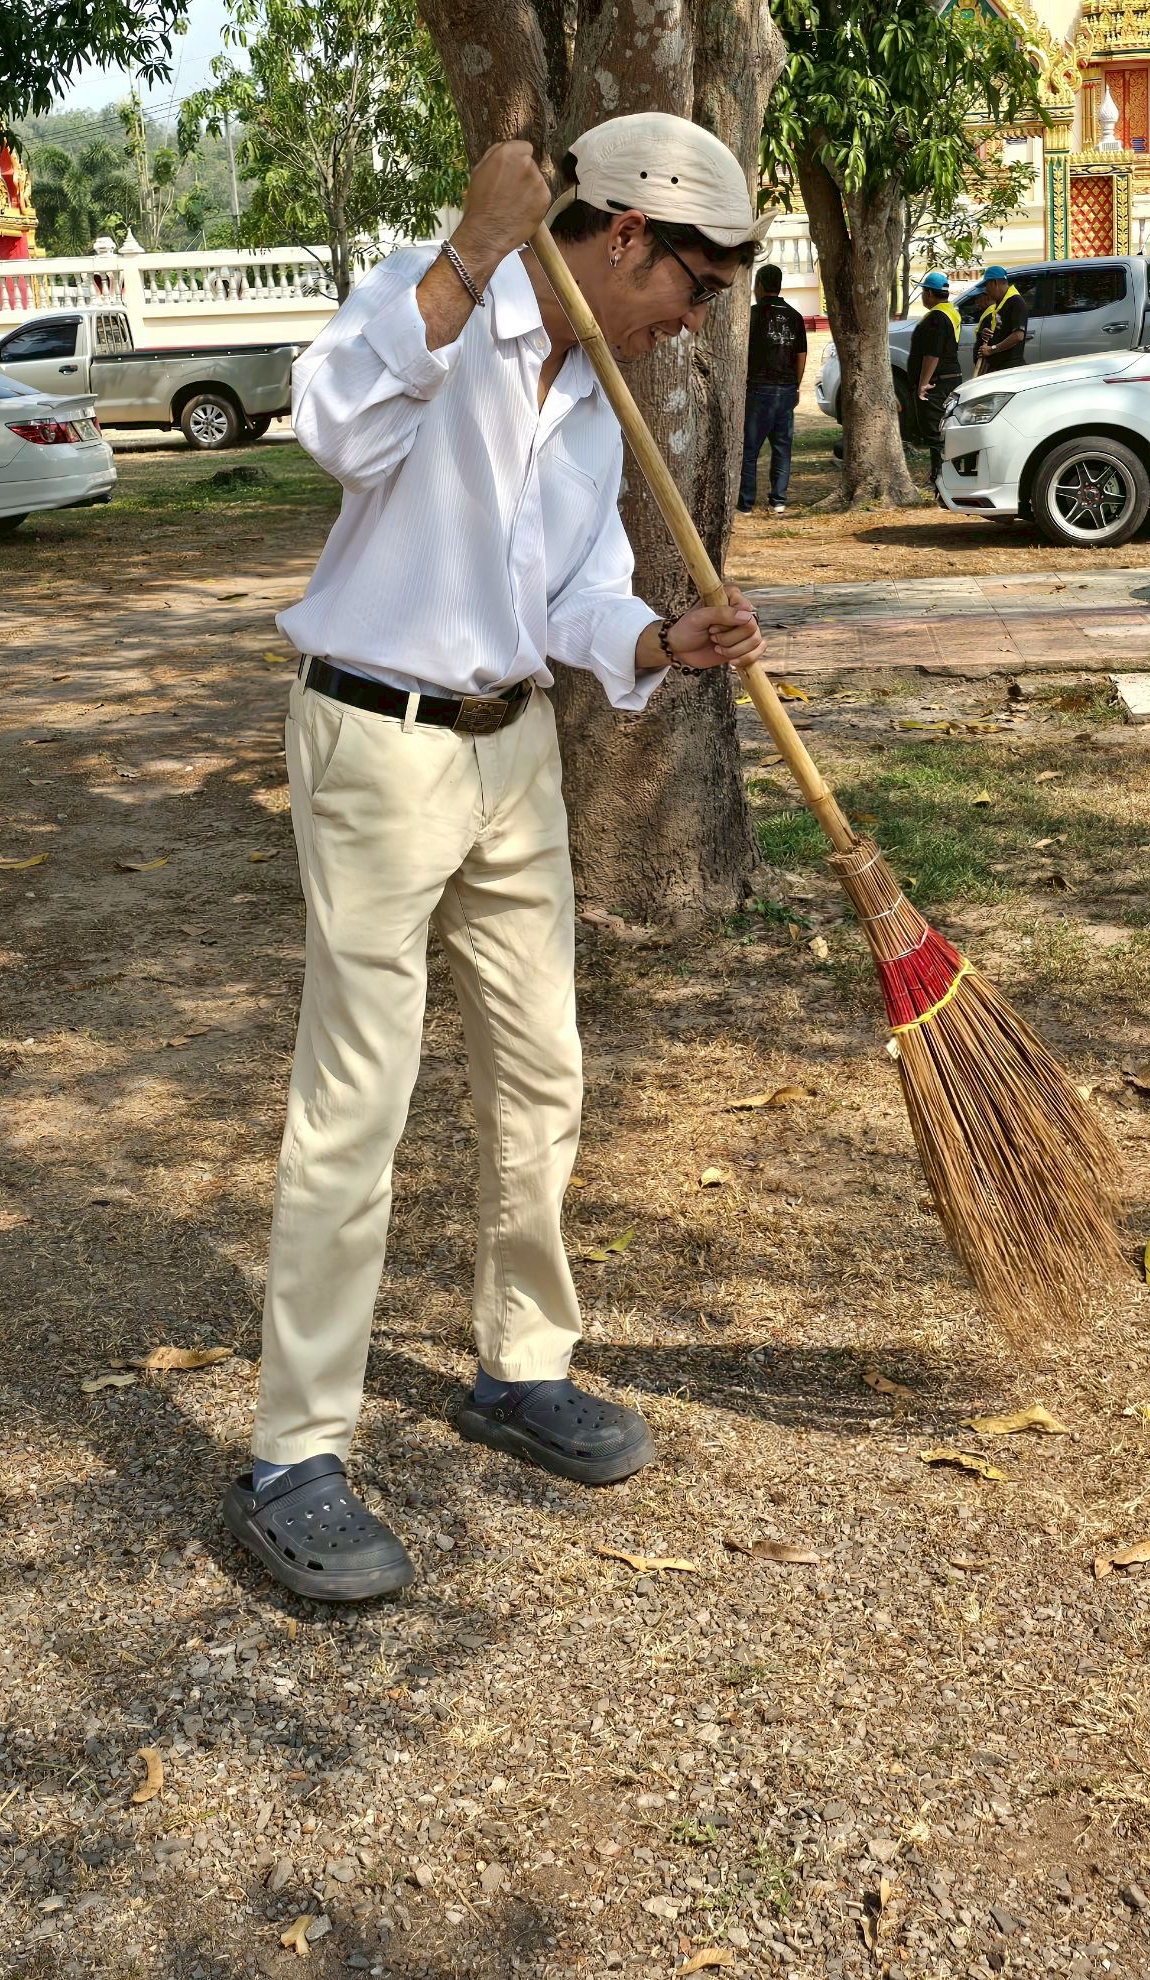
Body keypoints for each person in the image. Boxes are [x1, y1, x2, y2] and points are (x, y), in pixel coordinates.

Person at [223, 114, 769, 1604]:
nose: (692, 325)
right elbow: (333, 428)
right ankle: (294, 1453)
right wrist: (468, 252)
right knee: (359, 1097)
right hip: (376, 745)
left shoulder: (599, 401)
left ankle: (521, 1367)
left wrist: (660, 639)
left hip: (512, 748)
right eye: (693, 290)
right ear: (628, 239)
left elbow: (578, 594)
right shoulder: (433, 298)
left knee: (541, 1066)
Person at [738, 262, 807, 515]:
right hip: (786, 389)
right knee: (782, 448)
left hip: (758, 388)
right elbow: (801, 354)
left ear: (759, 285)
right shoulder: (795, 316)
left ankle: (745, 503)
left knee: (749, 449)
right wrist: (796, 386)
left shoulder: (752, 315)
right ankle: (778, 501)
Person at [902, 270, 963, 490]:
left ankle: (940, 480)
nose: (922, 297)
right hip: (950, 378)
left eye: (923, 292)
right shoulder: (951, 312)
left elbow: (932, 354)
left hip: (937, 382)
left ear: (929, 293)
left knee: (936, 431)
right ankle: (940, 478)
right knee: (943, 429)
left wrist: (923, 384)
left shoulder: (936, 318)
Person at [973, 264, 1026, 379]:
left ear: (994, 283)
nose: (986, 290)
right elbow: (1002, 329)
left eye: (986, 285)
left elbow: (1018, 335)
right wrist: (987, 332)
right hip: (999, 368)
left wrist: (992, 349)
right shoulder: (1000, 303)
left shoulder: (1015, 301)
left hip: (1010, 369)